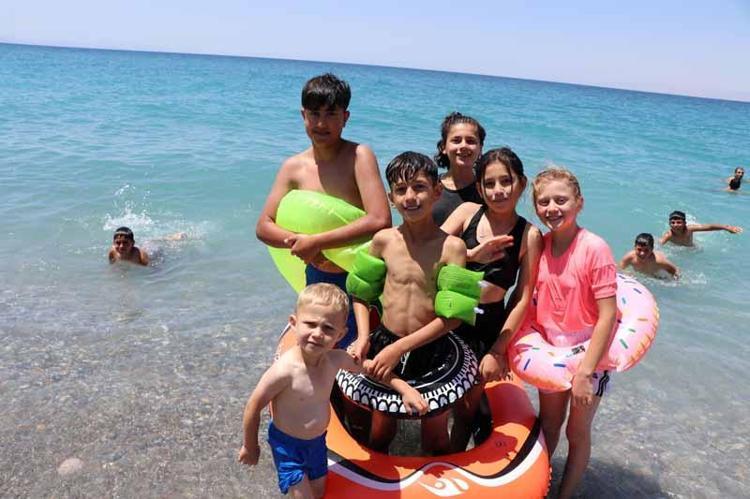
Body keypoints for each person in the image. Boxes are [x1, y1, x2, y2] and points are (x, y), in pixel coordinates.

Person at [237, 283, 423, 498]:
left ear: (340, 334)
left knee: (319, 493)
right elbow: (253, 407)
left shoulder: (334, 360)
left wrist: (404, 388)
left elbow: (371, 369)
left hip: (317, 442)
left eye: (328, 329)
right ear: (294, 323)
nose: (317, 334)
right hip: (288, 446)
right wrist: (250, 446)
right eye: (310, 324)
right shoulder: (284, 371)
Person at [255, 73, 391, 348]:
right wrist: (303, 245)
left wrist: (317, 242)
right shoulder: (293, 167)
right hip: (317, 274)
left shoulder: (359, 156)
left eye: (331, 114)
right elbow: (264, 226)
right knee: (317, 351)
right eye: (314, 114)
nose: (321, 123)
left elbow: (380, 219)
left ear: (345, 117)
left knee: (356, 354)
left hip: (358, 277)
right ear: (303, 115)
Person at [349, 151, 467, 455]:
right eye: (401, 190)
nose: (410, 197)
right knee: (381, 430)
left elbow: (454, 317)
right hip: (385, 339)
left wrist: (400, 349)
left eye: (419, 187)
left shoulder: (452, 248)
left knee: (436, 437)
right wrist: (363, 337)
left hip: (432, 348)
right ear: (391, 198)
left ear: (437, 192)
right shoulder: (383, 240)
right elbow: (360, 293)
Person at [441, 147, 543, 451]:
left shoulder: (529, 235)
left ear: (521, 184)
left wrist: (498, 350)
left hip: (486, 326)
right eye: (489, 183)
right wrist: (472, 254)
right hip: (446, 316)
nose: (498, 190)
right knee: (437, 402)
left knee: (466, 409)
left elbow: (522, 297)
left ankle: (454, 459)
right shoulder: (466, 213)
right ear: (479, 187)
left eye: (506, 181)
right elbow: (427, 252)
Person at [531, 167, 618, 499]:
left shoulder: (594, 248)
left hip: (589, 350)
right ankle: (536, 489)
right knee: (548, 425)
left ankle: (564, 495)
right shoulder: (540, 245)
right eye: (543, 202)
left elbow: (608, 314)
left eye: (561, 200)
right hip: (552, 348)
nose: (552, 208)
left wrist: (585, 372)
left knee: (576, 431)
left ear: (579, 203)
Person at [431, 112, 486, 225]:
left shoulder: (486, 191)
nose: (463, 146)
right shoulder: (430, 187)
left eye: (470, 141)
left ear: (480, 148)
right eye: (456, 140)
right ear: (443, 147)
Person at [659, 210, 742, 247]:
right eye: (672, 223)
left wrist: (727, 227)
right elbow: (660, 245)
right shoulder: (668, 235)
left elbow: (709, 227)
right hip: (677, 248)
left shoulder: (689, 229)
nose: (675, 225)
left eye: (678, 222)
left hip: (691, 247)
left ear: (685, 223)